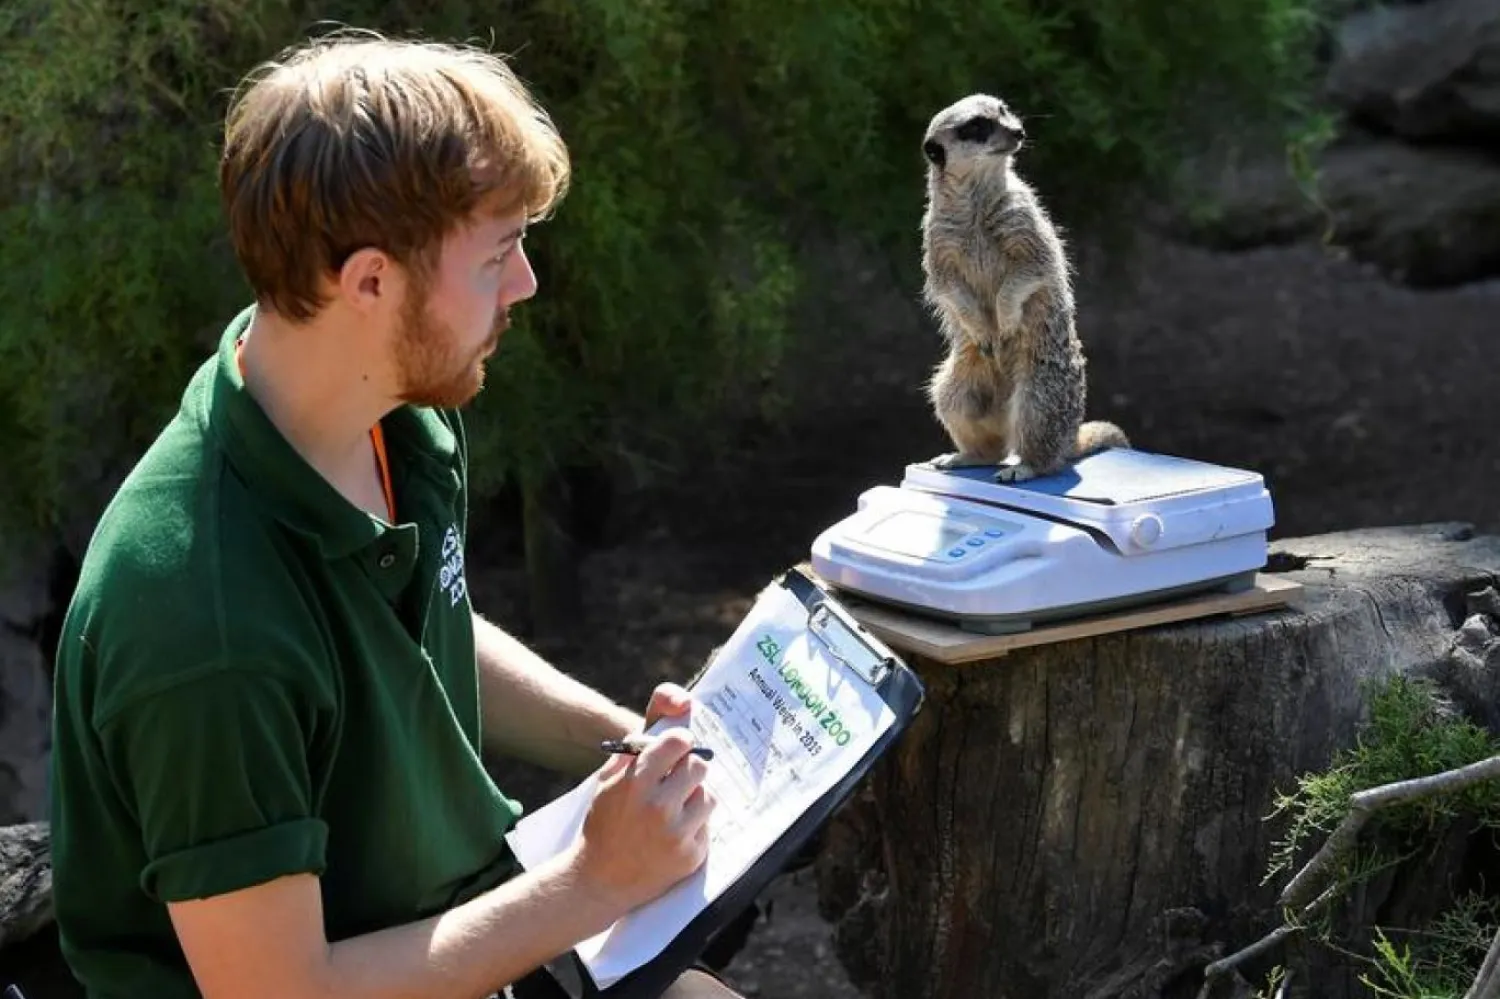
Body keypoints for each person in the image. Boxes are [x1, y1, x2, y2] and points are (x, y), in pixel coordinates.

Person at [47, 29, 748, 999]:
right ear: (370, 280)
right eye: (499, 254)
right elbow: (279, 991)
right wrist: (594, 881)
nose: (527, 285)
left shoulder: (396, 418)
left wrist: (629, 744)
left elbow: (422, 628)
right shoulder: (203, 624)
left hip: (448, 936)